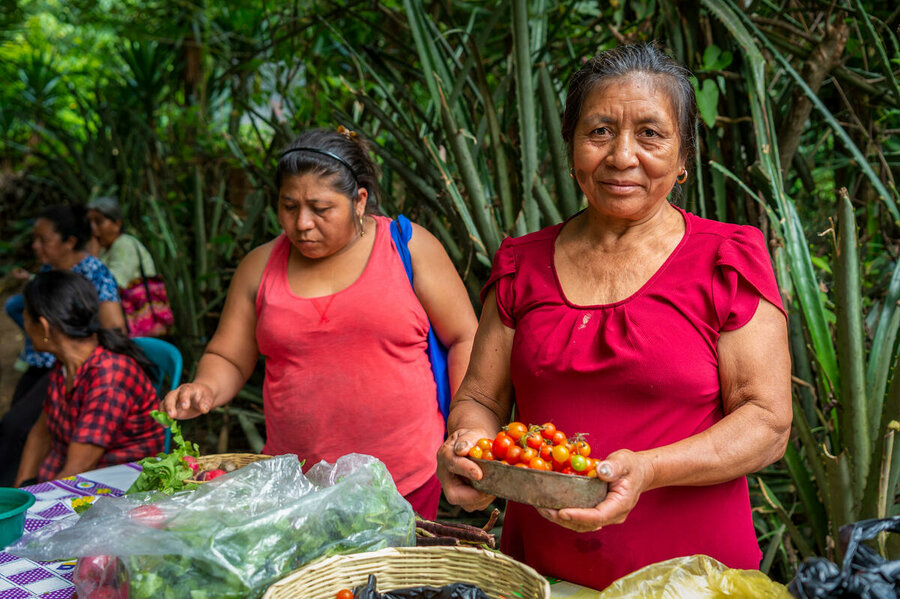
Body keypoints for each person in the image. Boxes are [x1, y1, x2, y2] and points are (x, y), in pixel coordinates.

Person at [437, 43, 792, 590]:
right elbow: (481, 400)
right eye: (599, 131)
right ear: (572, 147)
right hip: (541, 576)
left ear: (683, 159)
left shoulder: (727, 258)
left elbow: (767, 423)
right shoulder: (520, 264)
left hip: (693, 580)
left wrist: (648, 470)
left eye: (650, 133)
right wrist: (469, 450)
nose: (622, 156)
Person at [163, 128, 477, 519]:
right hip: (294, 486)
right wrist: (205, 387)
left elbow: (466, 336)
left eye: (320, 208)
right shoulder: (259, 267)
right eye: (289, 206)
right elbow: (228, 355)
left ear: (359, 201)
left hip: (405, 481)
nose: (302, 223)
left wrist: (465, 426)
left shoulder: (407, 247)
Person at [0, 205, 125, 486]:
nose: (36, 246)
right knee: (18, 426)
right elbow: (41, 434)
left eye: (43, 240)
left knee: (16, 426)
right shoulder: (48, 270)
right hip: (53, 360)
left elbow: (116, 328)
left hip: (72, 359)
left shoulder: (92, 271)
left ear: (69, 241)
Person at [14, 270, 163, 485]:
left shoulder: (110, 378)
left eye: (26, 319)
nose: (26, 327)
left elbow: (78, 468)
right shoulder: (66, 364)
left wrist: (37, 506)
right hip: (68, 480)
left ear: (45, 327)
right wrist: (21, 492)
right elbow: (40, 433)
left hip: (114, 492)